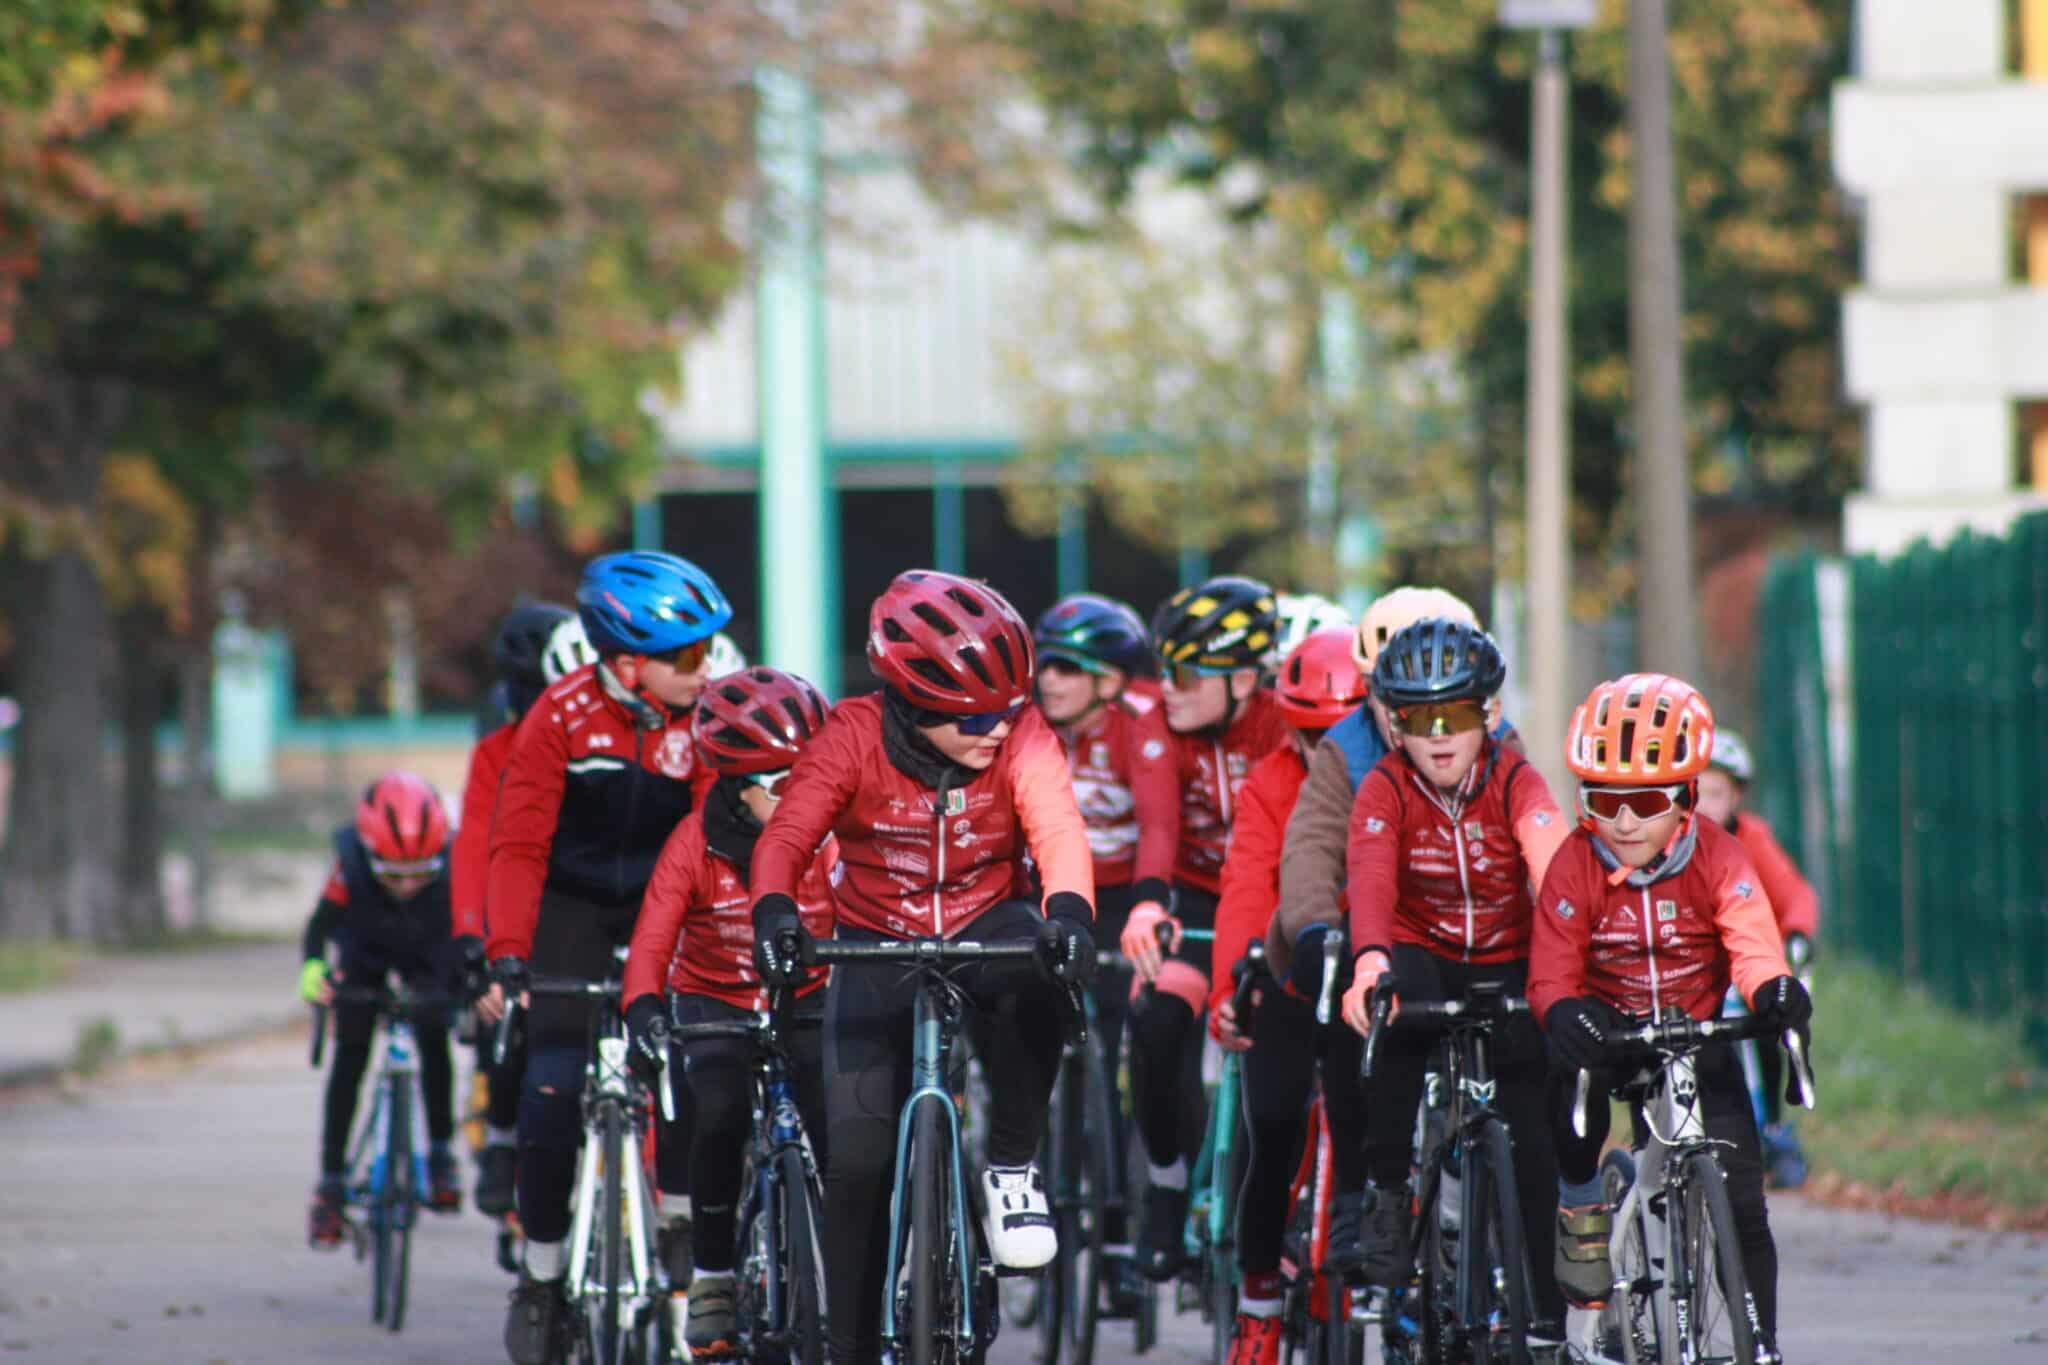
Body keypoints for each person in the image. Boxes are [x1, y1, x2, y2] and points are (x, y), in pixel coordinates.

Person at [747, 569, 1097, 1365]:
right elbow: (785, 837)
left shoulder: (1023, 735)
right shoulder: (851, 733)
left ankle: (1009, 1166)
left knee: (1040, 973)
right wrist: (774, 909)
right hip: (873, 935)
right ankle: (850, 1348)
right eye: (975, 716)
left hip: (986, 918)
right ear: (913, 702)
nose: (998, 730)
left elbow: (1058, 827)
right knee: (861, 1164)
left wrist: (1070, 912)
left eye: (1009, 710)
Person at [481, 549, 731, 1365]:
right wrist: (509, 954)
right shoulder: (558, 717)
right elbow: (517, 845)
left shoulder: (706, 718)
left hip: (672, 894)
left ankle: (684, 1220)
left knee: (690, 1056)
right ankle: (544, 1276)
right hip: (571, 905)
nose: (705, 669)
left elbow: (709, 840)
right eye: (687, 656)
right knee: (550, 1086)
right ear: (627, 663)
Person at [1528, 674, 1811, 1346]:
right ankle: (1581, 1204)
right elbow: (1551, 969)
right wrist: (1566, 1010)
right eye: (1603, 801)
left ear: (1686, 798)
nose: (1623, 822)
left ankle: (1761, 1345)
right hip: (1608, 1029)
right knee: (1565, 1078)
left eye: (1646, 800)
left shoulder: (1720, 853)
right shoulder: (1576, 862)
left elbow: (1750, 933)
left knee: (1744, 1203)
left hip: (1695, 1029)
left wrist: (1773, 986)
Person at [1335, 617, 1570, 1333]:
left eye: (1458, 715)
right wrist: (1370, 958)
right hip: (1420, 947)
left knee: (1531, 1129)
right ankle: (1383, 1191)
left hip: (1506, 951)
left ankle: (1545, 1313)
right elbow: (1371, 878)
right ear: (1392, 723)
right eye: (1416, 717)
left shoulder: (1515, 779)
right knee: (1396, 1016)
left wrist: (1571, 958)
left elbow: (1553, 864)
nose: (1439, 734)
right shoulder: (1385, 787)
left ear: (1490, 715)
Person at [622, 667, 838, 1357]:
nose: (802, 795)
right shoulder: (695, 841)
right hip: (712, 997)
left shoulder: (830, 834)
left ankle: (850, 1263)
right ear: (738, 786)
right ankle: (713, 1275)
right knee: (714, 1111)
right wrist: (645, 1006)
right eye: (781, 783)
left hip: (806, 994)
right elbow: (654, 934)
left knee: (841, 1124)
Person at [1207, 628, 1369, 1365]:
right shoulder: (1269, 779)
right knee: (1270, 1122)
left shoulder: (1388, 771)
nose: (1318, 748)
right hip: (1289, 968)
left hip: (1369, 971)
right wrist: (1230, 987)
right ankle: (1258, 1298)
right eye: (1305, 733)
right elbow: (1245, 886)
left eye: (1337, 729)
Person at [1125, 573, 1290, 1281]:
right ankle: (1166, 1180)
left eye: (1188, 672)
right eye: (1164, 669)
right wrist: (1146, 905)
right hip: (1191, 901)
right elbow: (1159, 827)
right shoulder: (1156, 725)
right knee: (1158, 1021)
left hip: (1272, 905)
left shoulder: (1283, 723)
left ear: (1246, 677)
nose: (1169, 686)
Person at [452, 605, 593, 1217]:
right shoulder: (496, 752)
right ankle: (503, 1139)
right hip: (524, 908)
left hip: (589, 909)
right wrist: (472, 938)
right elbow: (477, 847)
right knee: (507, 1017)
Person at [1032, 593, 1178, 1139]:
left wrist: (1149, 904)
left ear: (1110, 682)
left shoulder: (1140, 725)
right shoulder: (1028, 725)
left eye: (1068, 667)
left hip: (1121, 893)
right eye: (1045, 663)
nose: (1049, 679)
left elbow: (1159, 827)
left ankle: (1123, 1163)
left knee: (1125, 1018)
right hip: (1046, 889)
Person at [300, 772, 464, 1246]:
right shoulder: (348, 864)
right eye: (393, 875)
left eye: (422, 873)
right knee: (349, 1056)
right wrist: (313, 968)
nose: (408, 885)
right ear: (369, 856)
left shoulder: (456, 862)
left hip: (430, 955)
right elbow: (319, 926)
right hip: (365, 954)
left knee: (434, 1036)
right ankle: (330, 1183)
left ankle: (439, 1152)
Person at [1694, 728, 1818, 1187]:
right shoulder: (1672, 841)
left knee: (1770, 1026)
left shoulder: (1752, 839)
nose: (1705, 804)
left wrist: (1797, 933)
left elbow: (1794, 894)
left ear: (1737, 797)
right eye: (1696, 792)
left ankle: (1774, 1129)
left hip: (1745, 961)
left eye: (1716, 793)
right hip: (1695, 969)